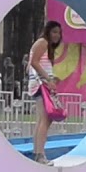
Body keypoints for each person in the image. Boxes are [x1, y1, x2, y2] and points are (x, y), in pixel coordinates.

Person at [28, 21, 63, 164]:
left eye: (59, 33)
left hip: (42, 84)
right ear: (48, 31)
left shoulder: (45, 45)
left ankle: (37, 153)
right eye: (54, 32)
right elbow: (34, 62)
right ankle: (40, 155)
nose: (57, 35)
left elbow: (35, 63)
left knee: (42, 120)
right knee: (46, 119)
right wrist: (48, 79)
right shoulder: (42, 42)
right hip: (41, 85)